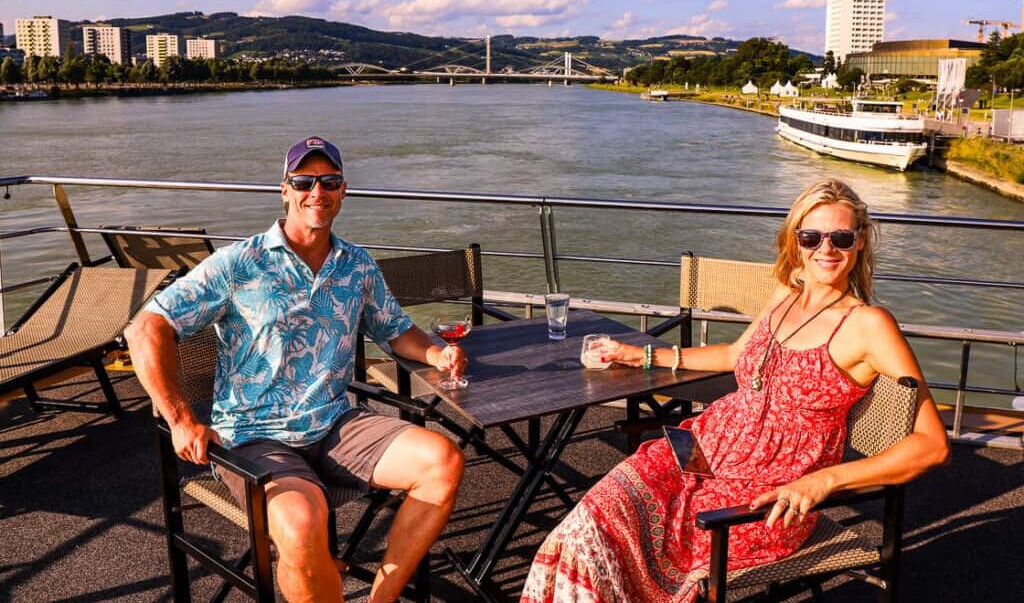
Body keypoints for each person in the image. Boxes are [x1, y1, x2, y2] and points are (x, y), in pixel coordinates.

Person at [521, 177, 950, 603]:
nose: (826, 249)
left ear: (860, 243)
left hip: (767, 489)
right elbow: (736, 355)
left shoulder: (869, 325)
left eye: (840, 237)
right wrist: (642, 356)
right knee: (586, 526)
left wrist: (824, 481)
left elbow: (932, 445)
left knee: (649, 557)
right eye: (811, 236)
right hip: (700, 446)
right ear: (794, 240)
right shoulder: (789, 291)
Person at [126, 136, 466, 603]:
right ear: (284, 189)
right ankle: (312, 565)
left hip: (334, 423)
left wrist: (434, 354)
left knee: (442, 462)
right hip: (254, 437)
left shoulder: (356, 265)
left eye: (329, 182)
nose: (317, 192)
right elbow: (146, 328)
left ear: (344, 191)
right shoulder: (239, 263)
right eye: (304, 181)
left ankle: (380, 599)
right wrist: (180, 418)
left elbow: (396, 329)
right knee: (304, 526)